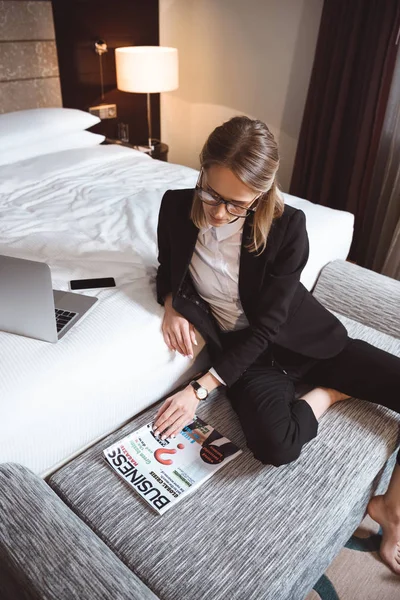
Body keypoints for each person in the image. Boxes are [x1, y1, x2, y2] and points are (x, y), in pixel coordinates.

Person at [152, 115, 400, 575]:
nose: (217, 211)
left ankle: (390, 511)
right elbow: (167, 267)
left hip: (308, 342)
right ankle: (328, 394)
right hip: (247, 359)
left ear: (261, 195)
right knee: (276, 447)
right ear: (202, 170)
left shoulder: (289, 227)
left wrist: (199, 389)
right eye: (210, 192)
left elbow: (269, 325)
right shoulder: (173, 206)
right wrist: (171, 302)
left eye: (235, 203)